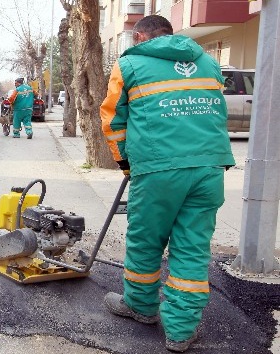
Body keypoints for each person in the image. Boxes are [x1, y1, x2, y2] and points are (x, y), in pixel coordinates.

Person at [99, 15, 235, 352]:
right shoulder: (208, 62)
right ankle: (180, 332)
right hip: (209, 167)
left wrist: (127, 164)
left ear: (141, 35)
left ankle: (140, 306)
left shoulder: (129, 64)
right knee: (192, 248)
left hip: (158, 168)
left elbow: (113, 120)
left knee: (146, 239)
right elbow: (215, 112)